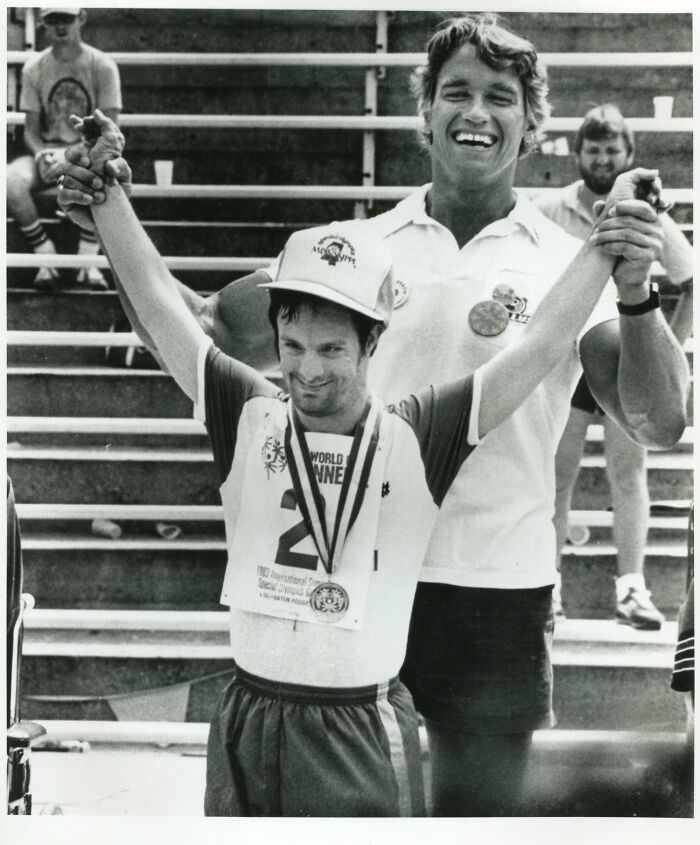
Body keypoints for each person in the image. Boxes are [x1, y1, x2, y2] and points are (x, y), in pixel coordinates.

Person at [57, 14, 689, 816]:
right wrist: (110, 222)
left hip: (492, 585)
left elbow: (661, 421)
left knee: (476, 824)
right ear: (422, 111)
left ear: (533, 126)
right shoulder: (353, 247)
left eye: (501, 97)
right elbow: (200, 330)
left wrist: (635, 293)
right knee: (341, 821)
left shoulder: (568, 264)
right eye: (455, 91)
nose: (476, 112)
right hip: (343, 575)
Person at [534, 104, 694, 628]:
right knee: (557, 473)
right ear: (577, 154)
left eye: (613, 151)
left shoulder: (648, 211)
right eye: (594, 149)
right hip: (570, 357)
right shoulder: (550, 208)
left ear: (629, 156)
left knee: (629, 471)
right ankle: (548, 587)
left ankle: (631, 589)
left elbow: (690, 279)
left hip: (625, 357)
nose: (603, 159)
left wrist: (670, 343)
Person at [6, 7, 122, 291]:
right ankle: (46, 257)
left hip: (87, 149)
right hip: (46, 152)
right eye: (52, 20)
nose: (60, 26)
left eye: (66, 19)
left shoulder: (102, 65)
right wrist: (41, 154)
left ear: (81, 19)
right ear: (44, 24)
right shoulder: (34, 68)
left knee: (104, 166)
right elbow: (31, 131)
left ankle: (87, 262)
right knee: (8, 179)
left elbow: (109, 131)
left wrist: (69, 154)